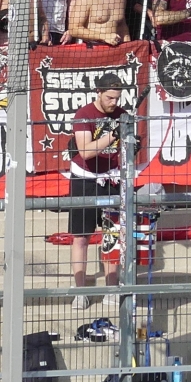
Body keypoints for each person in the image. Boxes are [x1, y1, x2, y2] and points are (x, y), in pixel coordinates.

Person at [67, 71, 131, 311]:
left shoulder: (122, 115)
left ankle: (111, 288)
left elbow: (127, 148)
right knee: (81, 237)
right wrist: (113, 135)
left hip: (111, 179)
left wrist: (130, 142)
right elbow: (85, 151)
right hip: (84, 179)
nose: (113, 103)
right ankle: (81, 291)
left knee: (111, 236)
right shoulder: (84, 115)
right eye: (109, 98)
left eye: (117, 98)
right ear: (99, 93)